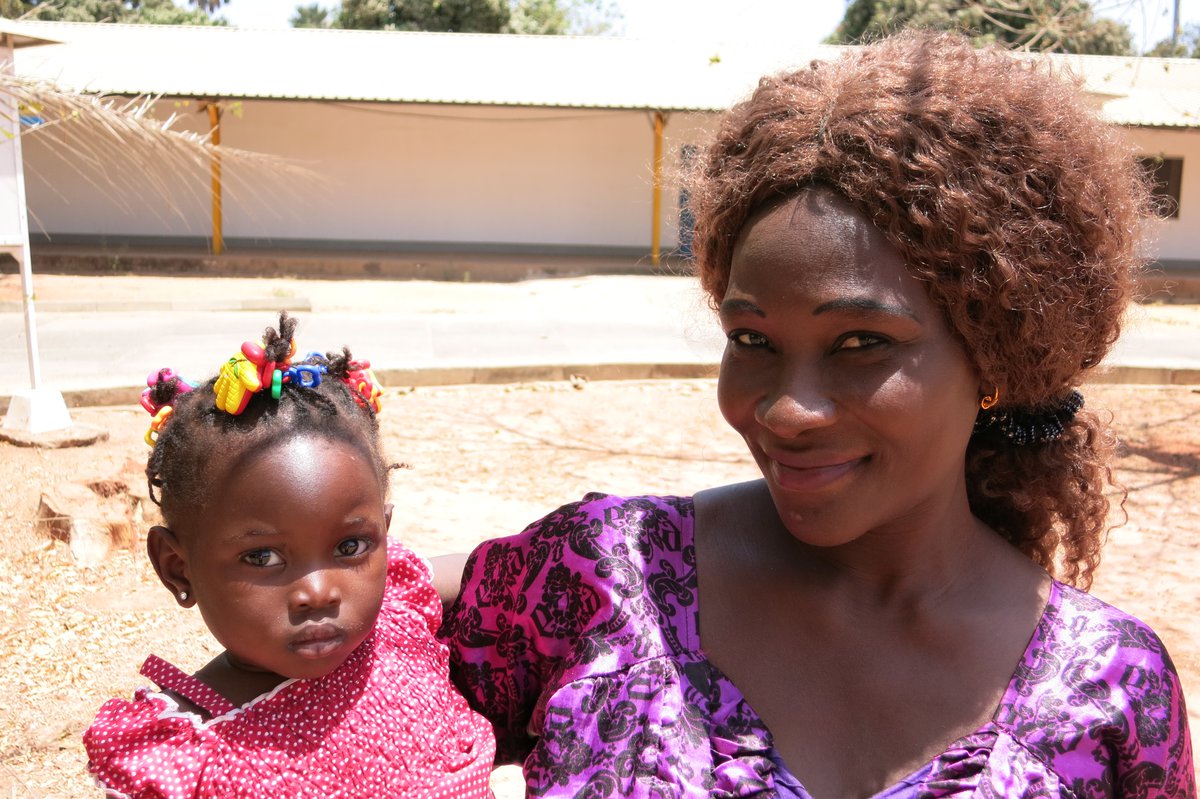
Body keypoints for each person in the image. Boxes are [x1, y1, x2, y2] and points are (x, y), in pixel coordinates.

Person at [440, 32, 1196, 798]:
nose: (786, 409)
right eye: (752, 339)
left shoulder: (1111, 690)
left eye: (861, 342)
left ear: (993, 357)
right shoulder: (603, 578)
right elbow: (346, 617)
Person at [84, 313, 495, 798]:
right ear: (178, 568)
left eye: (350, 547)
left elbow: (500, 565)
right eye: (262, 558)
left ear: (383, 534)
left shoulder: (395, 618)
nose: (318, 592)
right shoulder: (187, 755)